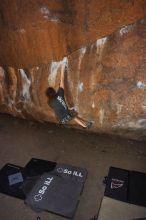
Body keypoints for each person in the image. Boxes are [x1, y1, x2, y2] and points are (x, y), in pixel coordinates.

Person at [46, 64, 92, 129]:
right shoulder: (60, 93)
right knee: (73, 114)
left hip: (61, 120)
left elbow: (58, 106)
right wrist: (62, 66)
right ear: (54, 91)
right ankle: (85, 125)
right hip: (67, 116)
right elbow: (62, 79)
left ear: (48, 95)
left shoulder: (49, 102)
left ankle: (85, 125)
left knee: (71, 114)